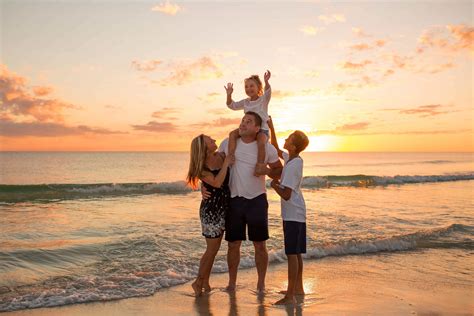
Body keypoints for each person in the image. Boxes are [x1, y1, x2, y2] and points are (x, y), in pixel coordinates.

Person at [215, 111, 283, 292]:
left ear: (256, 128)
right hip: (234, 200)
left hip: (257, 201)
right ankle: (232, 283)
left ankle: (261, 283)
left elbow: (279, 170)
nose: (243, 123)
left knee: (260, 245)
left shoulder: (267, 148)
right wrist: (205, 183)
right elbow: (212, 163)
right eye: (243, 120)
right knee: (233, 244)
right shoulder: (228, 142)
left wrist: (267, 171)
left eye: (249, 121)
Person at [267, 116, 309, 305]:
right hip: (297, 213)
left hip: (293, 213)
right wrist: (271, 126)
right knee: (297, 253)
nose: (285, 140)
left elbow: (286, 195)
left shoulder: (293, 166)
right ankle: (298, 289)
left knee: (292, 254)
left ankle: (290, 295)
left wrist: (273, 184)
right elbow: (275, 148)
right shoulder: (291, 158)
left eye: (289, 139)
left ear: (293, 146)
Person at [186, 134, 233, 296]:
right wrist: (226, 163)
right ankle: (198, 282)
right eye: (210, 140)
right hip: (211, 211)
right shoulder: (201, 167)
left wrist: (225, 161)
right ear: (204, 147)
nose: (214, 140)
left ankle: (205, 280)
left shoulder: (221, 155)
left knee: (215, 248)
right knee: (211, 249)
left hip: (226, 207)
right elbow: (217, 183)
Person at [224, 70, 272, 177]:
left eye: (251, 86)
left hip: (261, 129)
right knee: (232, 134)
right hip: (247, 129)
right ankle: (231, 157)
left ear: (259, 87)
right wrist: (229, 95)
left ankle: (260, 166)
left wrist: (266, 82)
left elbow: (268, 92)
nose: (248, 89)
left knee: (261, 142)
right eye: (246, 87)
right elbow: (231, 105)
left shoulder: (263, 100)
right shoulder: (245, 102)